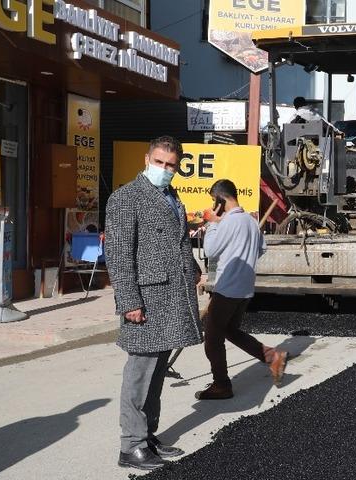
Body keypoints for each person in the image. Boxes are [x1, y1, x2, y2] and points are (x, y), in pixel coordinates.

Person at [105, 136, 203, 471]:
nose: (164, 169)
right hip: (145, 300)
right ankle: (131, 446)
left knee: (157, 373)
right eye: (159, 162)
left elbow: (179, 243)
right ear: (147, 159)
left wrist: (193, 269)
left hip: (170, 297)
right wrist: (129, 300)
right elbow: (118, 254)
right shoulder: (126, 198)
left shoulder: (171, 196)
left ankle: (146, 435)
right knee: (139, 374)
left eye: (170, 165)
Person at [195, 179, 287, 400]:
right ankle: (272, 357)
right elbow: (261, 249)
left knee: (212, 340)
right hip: (244, 289)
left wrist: (212, 224)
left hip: (227, 289)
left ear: (220, 200)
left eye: (213, 200)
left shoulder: (227, 222)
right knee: (230, 330)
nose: (213, 205)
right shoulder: (250, 221)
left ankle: (221, 385)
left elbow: (210, 251)